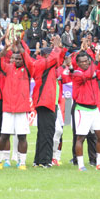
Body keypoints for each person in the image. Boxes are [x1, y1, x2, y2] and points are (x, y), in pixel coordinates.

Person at [0, 37, 34, 170]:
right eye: (15, 58)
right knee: (4, 135)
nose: (17, 61)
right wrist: (5, 49)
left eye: (19, 59)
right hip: (8, 109)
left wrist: (20, 46)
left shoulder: (28, 70)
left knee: (22, 136)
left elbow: (28, 60)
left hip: (22, 109)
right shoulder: (8, 68)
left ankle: (21, 162)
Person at [68, 48, 100, 171]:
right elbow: (87, 75)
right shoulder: (76, 73)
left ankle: (99, 163)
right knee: (81, 137)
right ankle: (81, 165)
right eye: (82, 62)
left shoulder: (92, 70)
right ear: (78, 63)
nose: (85, 63)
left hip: (94, 109)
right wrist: (95, 63)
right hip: (82, 109)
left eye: (87, 61)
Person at [32, 37, 65, 167]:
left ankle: (39, 160)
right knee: (47, 132)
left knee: (44, 132)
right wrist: (56, 48)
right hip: (45, 102)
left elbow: (58, 60)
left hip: (47, 102)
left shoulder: (47, 65)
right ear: (45, 55)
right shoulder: (40, 63)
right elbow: (54, 59)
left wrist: (59, 48)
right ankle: (45, 160)